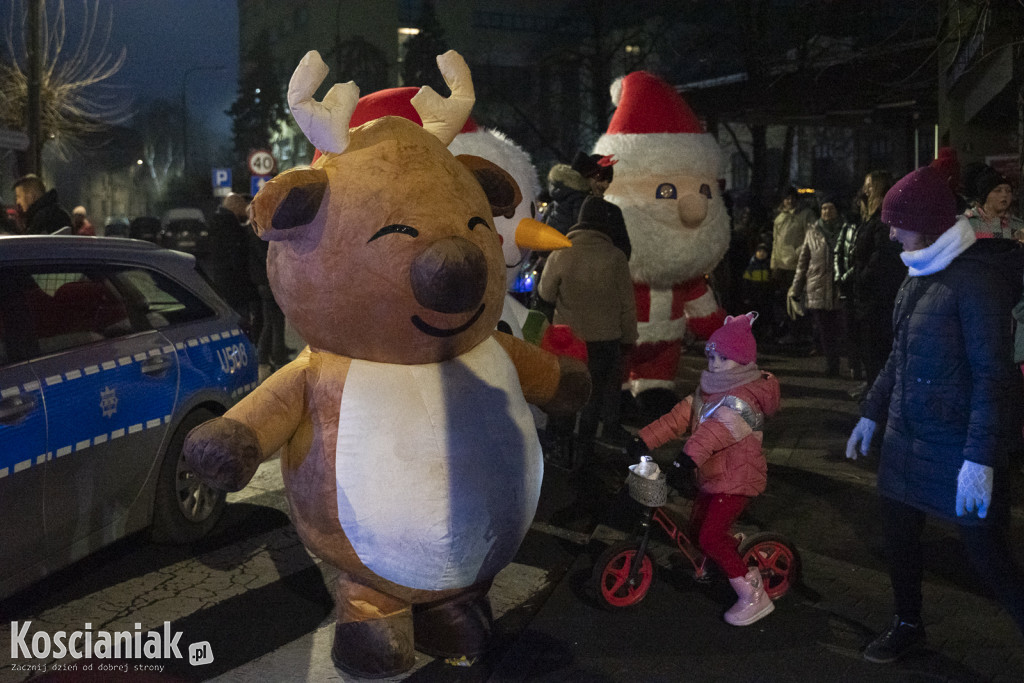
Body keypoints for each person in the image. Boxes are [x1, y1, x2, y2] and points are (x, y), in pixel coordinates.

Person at [846, 165, 1024, 663]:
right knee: (898, 541)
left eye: (896, 221)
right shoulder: (917, 275)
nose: (889, 230)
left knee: (990, 560)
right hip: (907, 438)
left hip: (957, 447)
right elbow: (898, 358)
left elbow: (994, 377)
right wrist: (871, 414)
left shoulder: (975, 282)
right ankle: (907, 623)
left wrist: (981, 460)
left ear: (923, 222)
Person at [629, 312, 780, 626]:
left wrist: (685, 461)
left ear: (743, 363)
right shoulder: (708, 390)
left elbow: (713, 433)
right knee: (698, 530)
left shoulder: (742, 400)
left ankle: (753, 595)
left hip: (737, 479)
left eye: (724, 359)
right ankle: (728, 550)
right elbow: (678, 419)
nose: (715, 364)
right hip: (713, 476)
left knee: (710, 537)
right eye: (712, 356)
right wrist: (642, 440)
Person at [537, 195, 638, 466]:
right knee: (593, 397)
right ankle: (584, 452)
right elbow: (628, 305)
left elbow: (545, 293)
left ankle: (561, 449)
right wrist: (629, 339)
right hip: (606, 342)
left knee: (567, 392)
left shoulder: (561, 252)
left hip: (569, 340)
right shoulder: (616, 257)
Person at [840, 170, 902, 399]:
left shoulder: (883, 223)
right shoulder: (873, 219)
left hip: (877, 301)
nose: (864, 190)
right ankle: (874, 390)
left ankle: (879, 401)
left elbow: (880, 260)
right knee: (869, 350)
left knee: (877, 351)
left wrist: (860, 277)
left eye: (868, 186)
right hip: (868, 298)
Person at [787, 200, 848, 376]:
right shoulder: (812, 232)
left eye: (830, 207)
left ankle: (848, 364)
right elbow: (803, 262)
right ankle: (832, 366)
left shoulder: (845, 230)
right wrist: (796, 288)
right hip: (818, 287)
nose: (826, 211)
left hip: (838, 287)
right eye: (823, 208)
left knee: (841, 330)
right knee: (824, 330)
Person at [769, 187, 815, 343]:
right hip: (782, 266)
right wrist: (774, 264)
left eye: (792, 198)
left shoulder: (805, 215)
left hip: (798, 265)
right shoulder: (779, 218)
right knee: (784, 301)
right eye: (787, 198)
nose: (790, 201)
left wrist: (797, 253)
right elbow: (776, 242)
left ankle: (800, 333)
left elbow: (812, 237)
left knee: (797, 300)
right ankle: (791, 331)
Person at [204, 193, 258, 321]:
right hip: (235, 285)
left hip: (223, 282)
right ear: (235, 206)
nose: (244, 211)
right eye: (242, 207)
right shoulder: (231, 226)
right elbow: (237, 258)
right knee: (240, 319)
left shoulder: (217, 223)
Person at [963, 165, 1024, 241]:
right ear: (985, 195)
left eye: (1008, 191)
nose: (1004, 195)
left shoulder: (1019, 225)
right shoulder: (967, 223)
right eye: (998, 190)